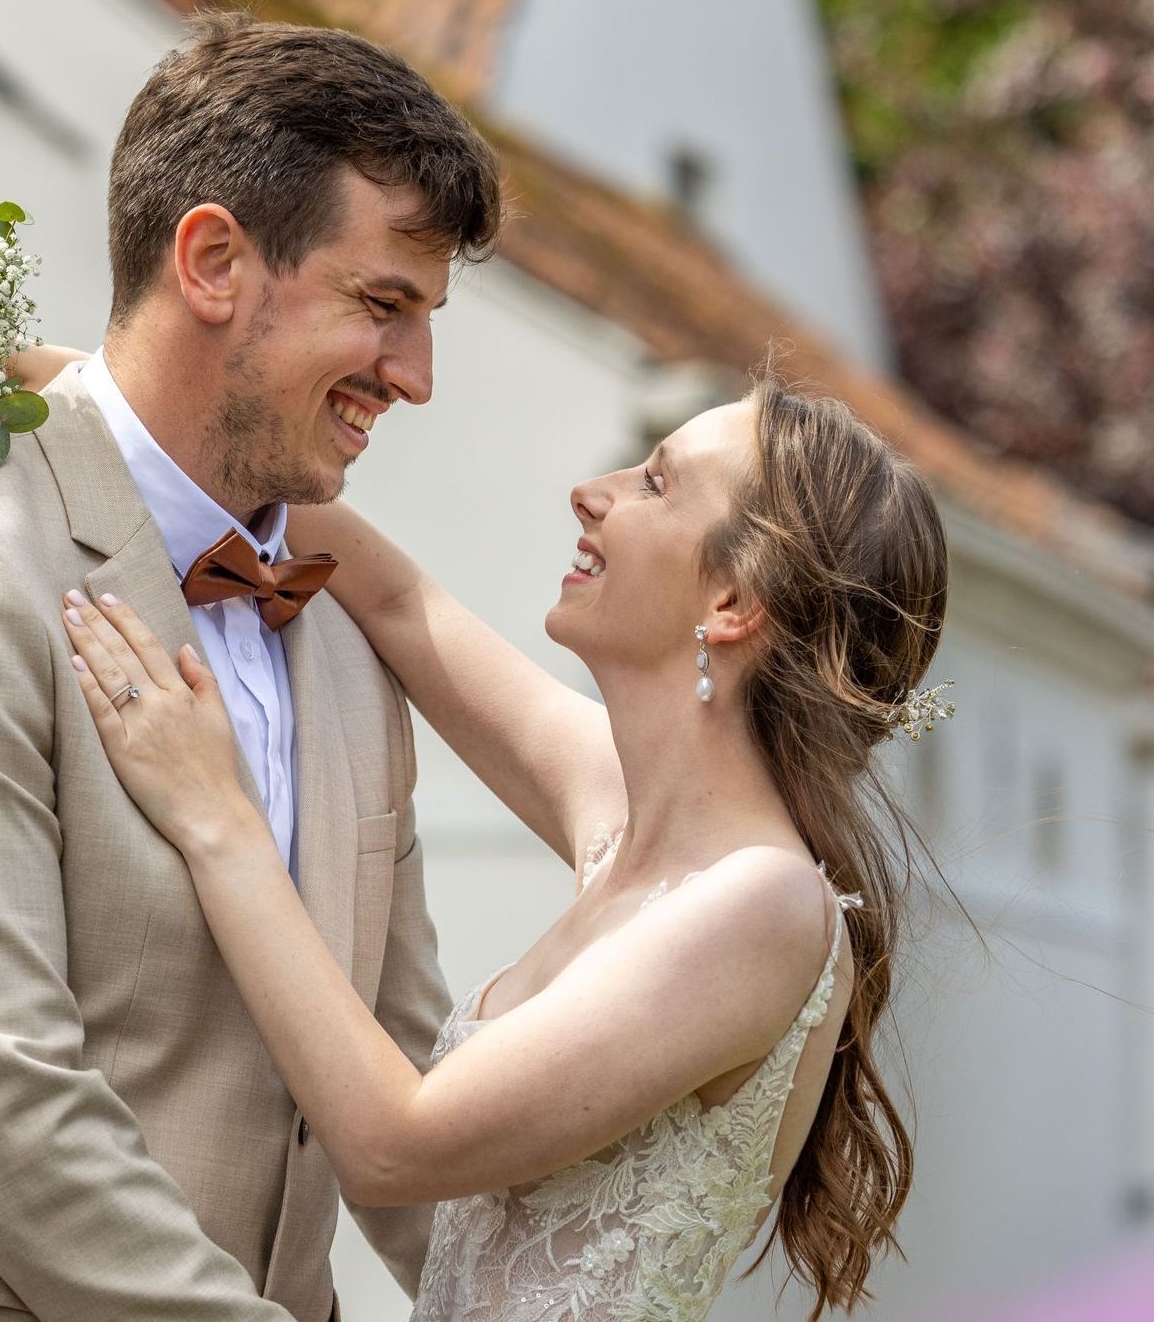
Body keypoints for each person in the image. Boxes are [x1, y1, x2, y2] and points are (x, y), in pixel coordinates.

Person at [0, 10, 501, 1321]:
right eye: (383, 306)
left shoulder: (340, 639)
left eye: (425, 319)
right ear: (212, 261)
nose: (416, 376)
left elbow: (398, 1093)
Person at [48, 370, 949, 1320]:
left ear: (732, 599)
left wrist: (214, 813)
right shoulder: (632, 814)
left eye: (654, 482)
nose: (591, 492)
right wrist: (94, 391)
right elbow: (397, 600)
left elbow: (393, 1145)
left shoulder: (762, 903)